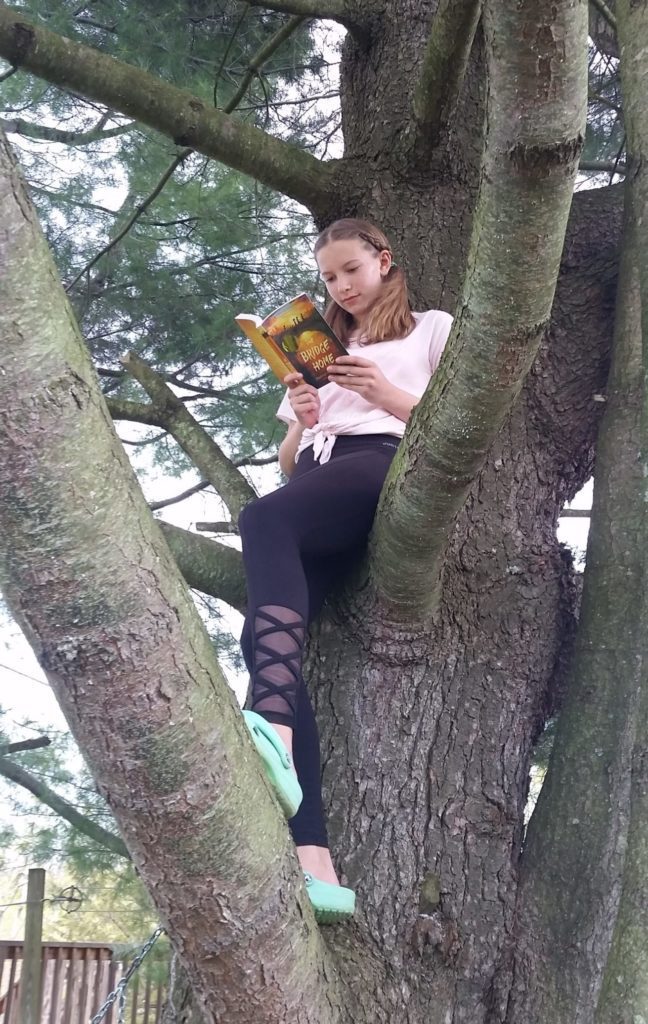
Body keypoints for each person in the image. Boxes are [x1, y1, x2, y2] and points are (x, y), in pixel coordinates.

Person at [238, 218, 453, 923]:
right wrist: (301, 416)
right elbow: (293, 465)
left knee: (262, 520)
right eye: (329, 277)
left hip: (384, 465)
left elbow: (458, 426)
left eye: (351, 269)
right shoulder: (318, 349)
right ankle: (316, 865)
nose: (341, 286)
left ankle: (269, 722)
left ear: (384, 261)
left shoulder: (430, 330)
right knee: (262, 643)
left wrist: (383, 392)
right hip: (324, 480)